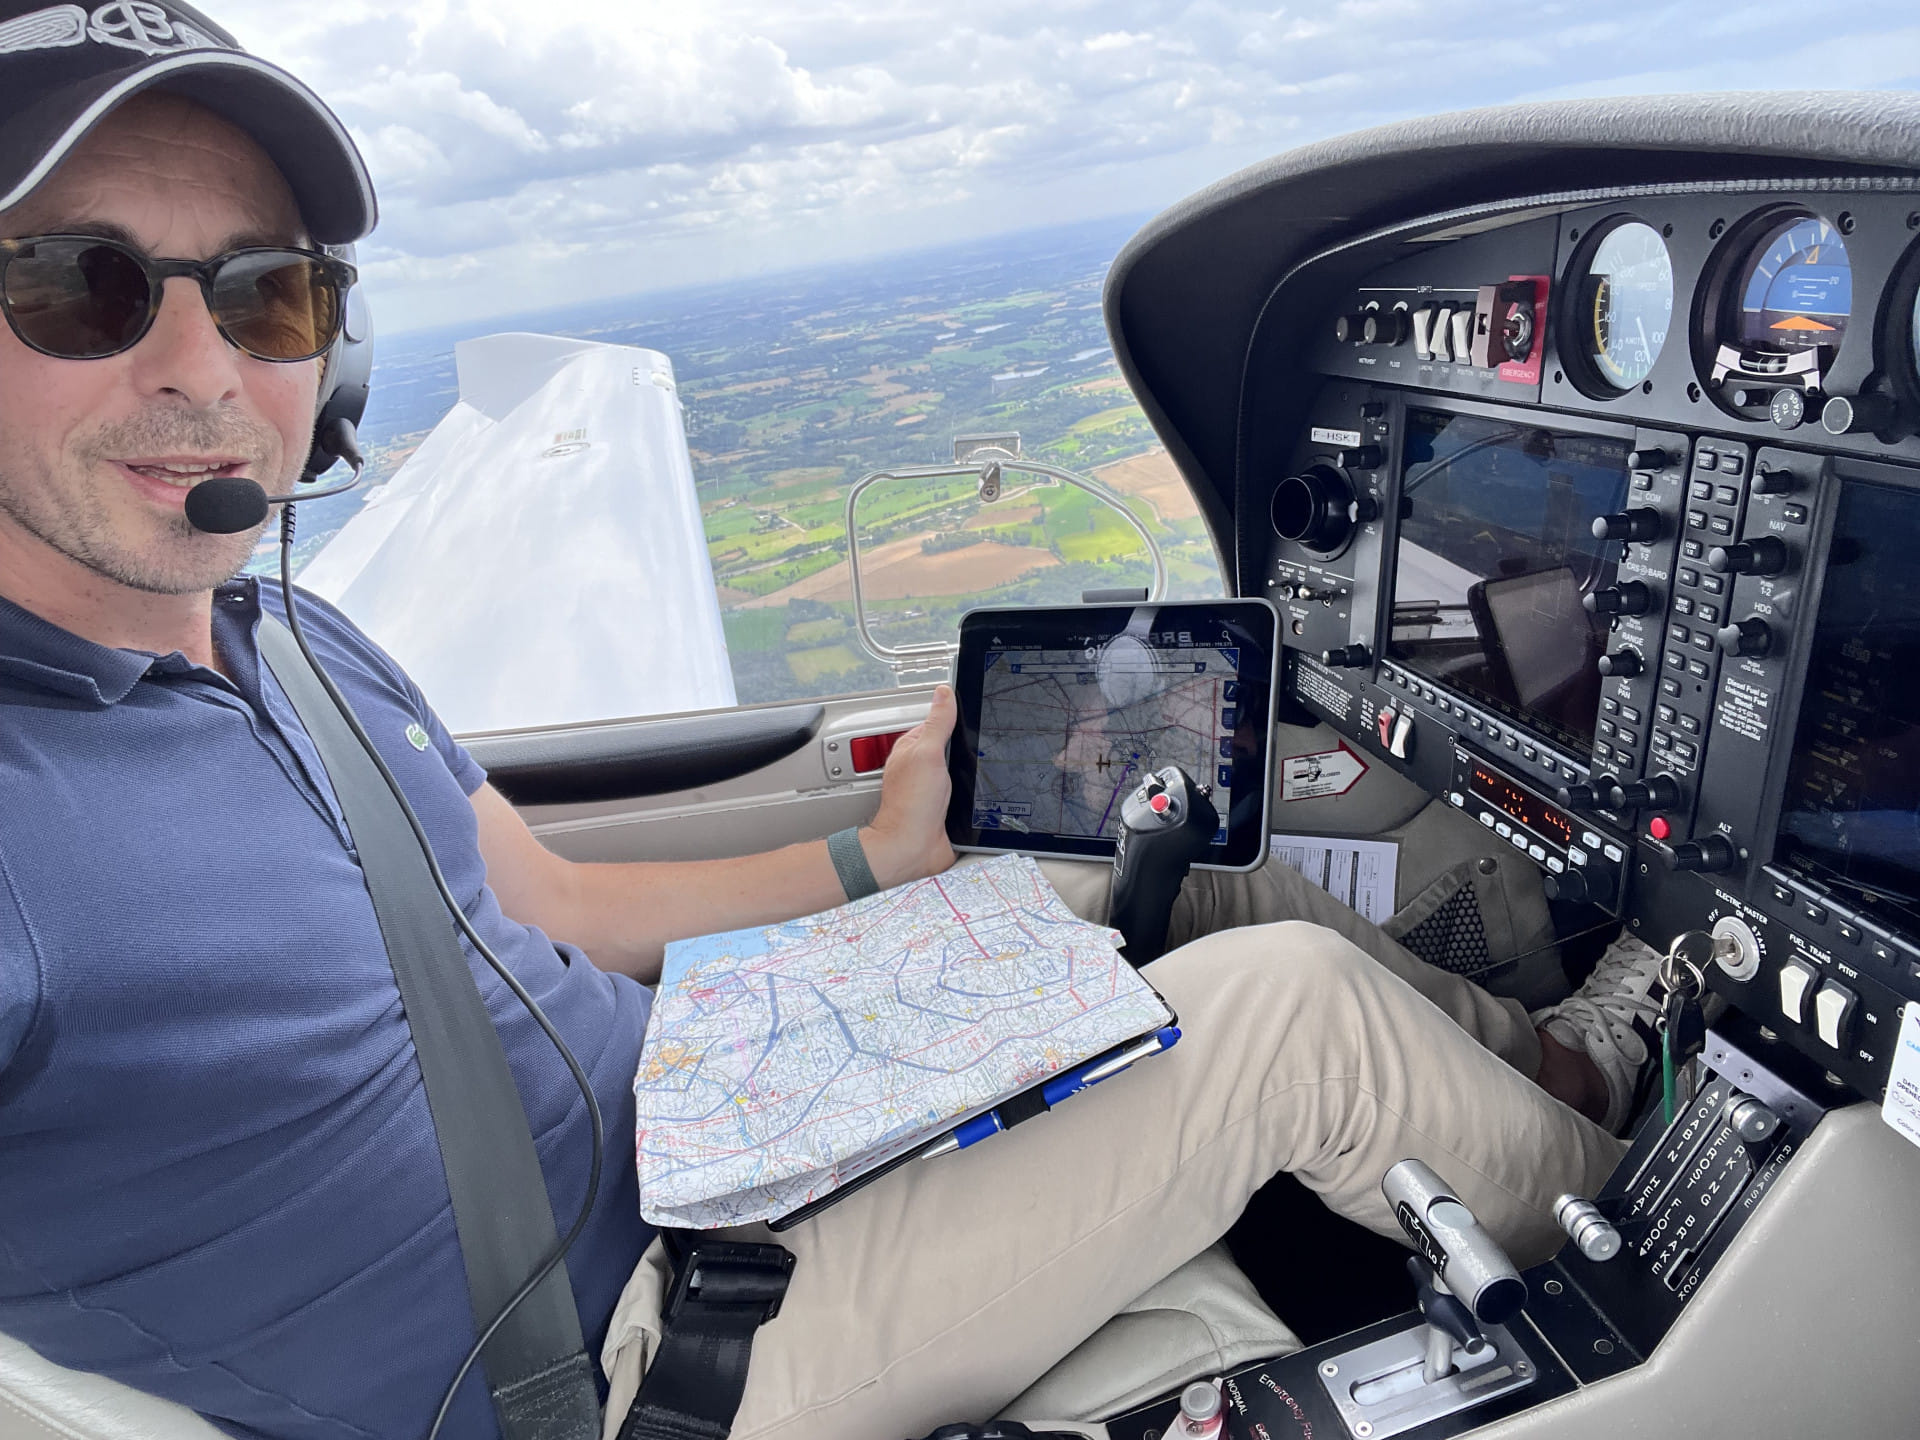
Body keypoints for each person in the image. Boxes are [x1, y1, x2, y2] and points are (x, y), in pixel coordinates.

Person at [0, 6, 1666, 1438]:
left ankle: (1557, 1065)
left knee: (1145, 851)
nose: (200, 363)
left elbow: (549, 903)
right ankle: (1693, 1259)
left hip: (709, 1130)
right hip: (627, 1361)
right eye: (81, 290)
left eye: (265, 294)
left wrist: (884, 858)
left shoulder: (288, 631)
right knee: (1293, 1014)